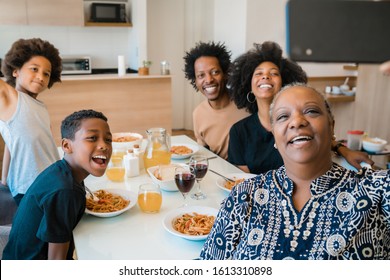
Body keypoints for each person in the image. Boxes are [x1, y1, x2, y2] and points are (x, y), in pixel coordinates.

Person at [200, 84, 390, 260]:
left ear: (331, 126)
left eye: (311, 111)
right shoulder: (244, 195)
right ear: (274, 134)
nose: (297, 121)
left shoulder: (377, 189)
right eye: (283, 117)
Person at [227, 41, 374, 174]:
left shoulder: (298, 123)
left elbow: (316, 137)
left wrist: (344, 150)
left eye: (274, 73)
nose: (265, 77)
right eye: (258, 73)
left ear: (285, 84)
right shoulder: (239, 132)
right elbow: (242, 180)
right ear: (248, 85)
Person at [2, 109, 112, 260]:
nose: (104, 145)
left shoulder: (63, 171)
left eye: (108, 140)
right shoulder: (65, 190)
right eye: (92, 138)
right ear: (67, 146)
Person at [0, 38, 62, 216]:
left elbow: (14, 145)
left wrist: (4, 180)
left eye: (46, 73)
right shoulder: (10, 99)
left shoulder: (40, 107)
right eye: (34, 69)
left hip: (49, 181)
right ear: (16, 71)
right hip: (29, 187)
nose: (41, 77)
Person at [183, 41, 250, 159]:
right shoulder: (198, 114)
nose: (208, 80)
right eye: (201, 75)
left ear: (225, 74)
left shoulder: (246, 104)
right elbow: (204, 157)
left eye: (215, 72)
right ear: (195, 80)